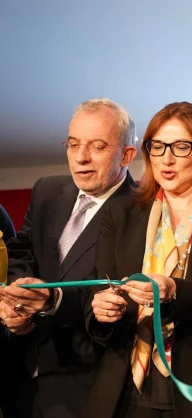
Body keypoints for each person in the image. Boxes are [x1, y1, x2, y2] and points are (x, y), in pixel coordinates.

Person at [81, 102, 192, 418]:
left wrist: (174, 290)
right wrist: (102, 309)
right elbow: (101, 287)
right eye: (158, 146)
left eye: (181, 147)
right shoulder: (120, 213)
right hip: (128, 379)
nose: (167, 159)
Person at [0, 98, 137, 418]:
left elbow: (120, 295)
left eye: (97, 146)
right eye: (73, 144)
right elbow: (22, 250)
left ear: (127, 155)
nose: (80, 157)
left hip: (86, 383)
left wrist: (52, 301)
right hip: (21, 374)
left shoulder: (142, 213)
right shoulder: (46, 191)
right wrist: (18, 302)